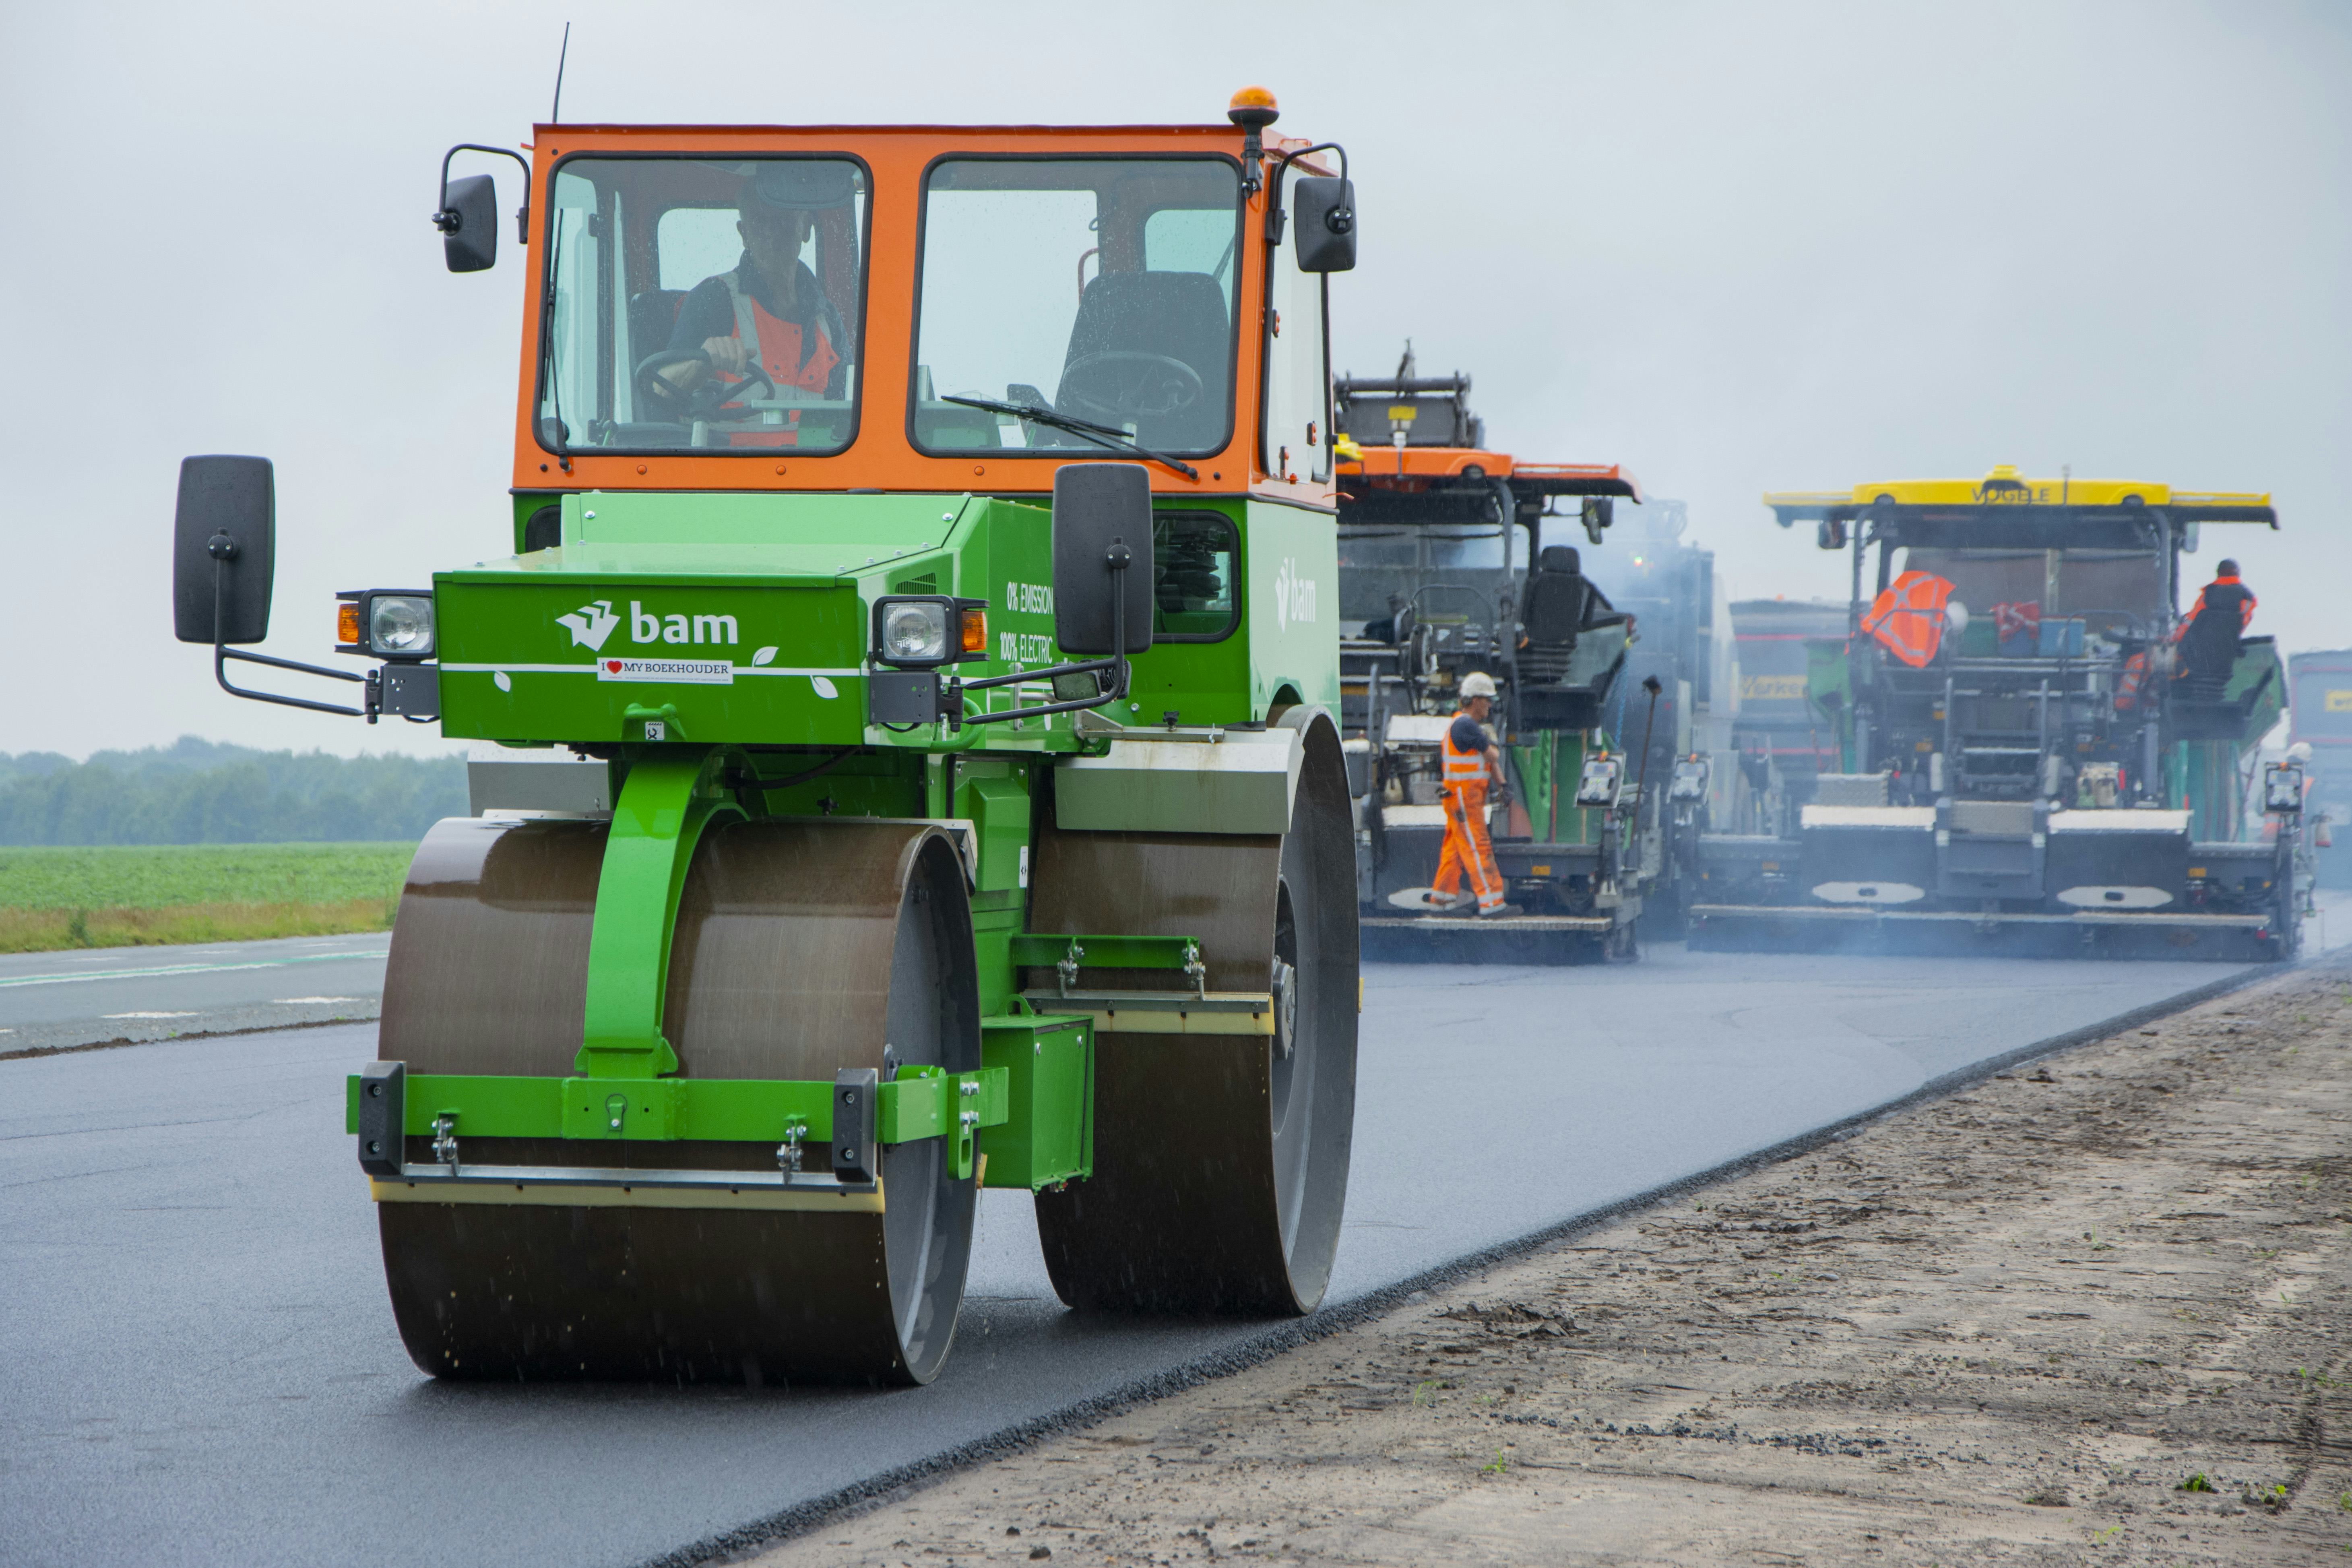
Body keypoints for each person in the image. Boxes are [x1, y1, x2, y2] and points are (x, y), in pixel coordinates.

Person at [656, 165, 855, 435]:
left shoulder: (827, 319)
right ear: (744, 233)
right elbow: (660, 387)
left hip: (810, 472)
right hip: (725, 472)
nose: (773, 235)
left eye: (784, 221)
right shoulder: (714, 298)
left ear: (806, 228)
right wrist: (703, 361)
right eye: (761, 222)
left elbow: (848, 411)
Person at [1431, 671, 1518, 917]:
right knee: (1478, 848)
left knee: (1455, 849)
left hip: (1460, 799)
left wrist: (1503, 785)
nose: (1491, 705)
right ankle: (1492, 903)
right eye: (1487, 699)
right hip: (1464, 800)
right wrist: (1491, 747)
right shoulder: (1466, 725)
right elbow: (1493, 756)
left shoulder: (1468, 727)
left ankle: (1442, 902)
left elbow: (1488, 761)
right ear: (1475, 700)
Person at [2175, 559, 2257, 688]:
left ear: (2218, 573)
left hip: (2197, 656)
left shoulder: (2208, 594)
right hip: (2225, 657)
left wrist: (2176, 639)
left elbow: (2190, 621)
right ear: (2238, 575)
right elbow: (2242, 624)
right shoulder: (2248, 598)